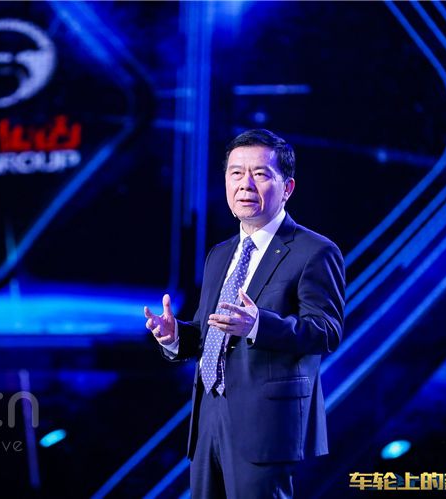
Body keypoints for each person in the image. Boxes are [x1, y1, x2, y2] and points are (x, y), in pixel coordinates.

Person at [144, 129, 345, 498]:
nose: (245, 184)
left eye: (260, 173)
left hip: (266, 424)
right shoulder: (220, 254)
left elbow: (326, 331)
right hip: (208, 419)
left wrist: (258, 325)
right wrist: (175, 337)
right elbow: (210, 333)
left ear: (287, 188)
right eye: (236, 173)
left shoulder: (315, 251)